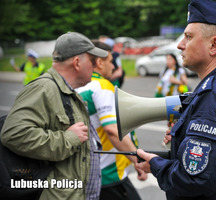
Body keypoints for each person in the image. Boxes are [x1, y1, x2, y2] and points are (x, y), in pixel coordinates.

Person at [136, 0, 216, 199]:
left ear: (214, 45)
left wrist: (156, 165)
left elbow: (196, 180)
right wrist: (182, 145)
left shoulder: (215, 95)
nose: (180, 45)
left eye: (188, 37)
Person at [1, 32, 108, 199]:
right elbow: (14, 133)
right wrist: (69, 139)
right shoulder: (44, 88)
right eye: (93, 61)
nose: (95, 67)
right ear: (77, 62)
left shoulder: (66, 92)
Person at [76, 40, 147, 200]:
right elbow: (112, 130)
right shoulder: (102, 86)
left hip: (86, 173)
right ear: (100, 62)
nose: (114, 66)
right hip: (109, 175)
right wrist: (138, 160)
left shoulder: (78, 86)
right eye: (110, 61)